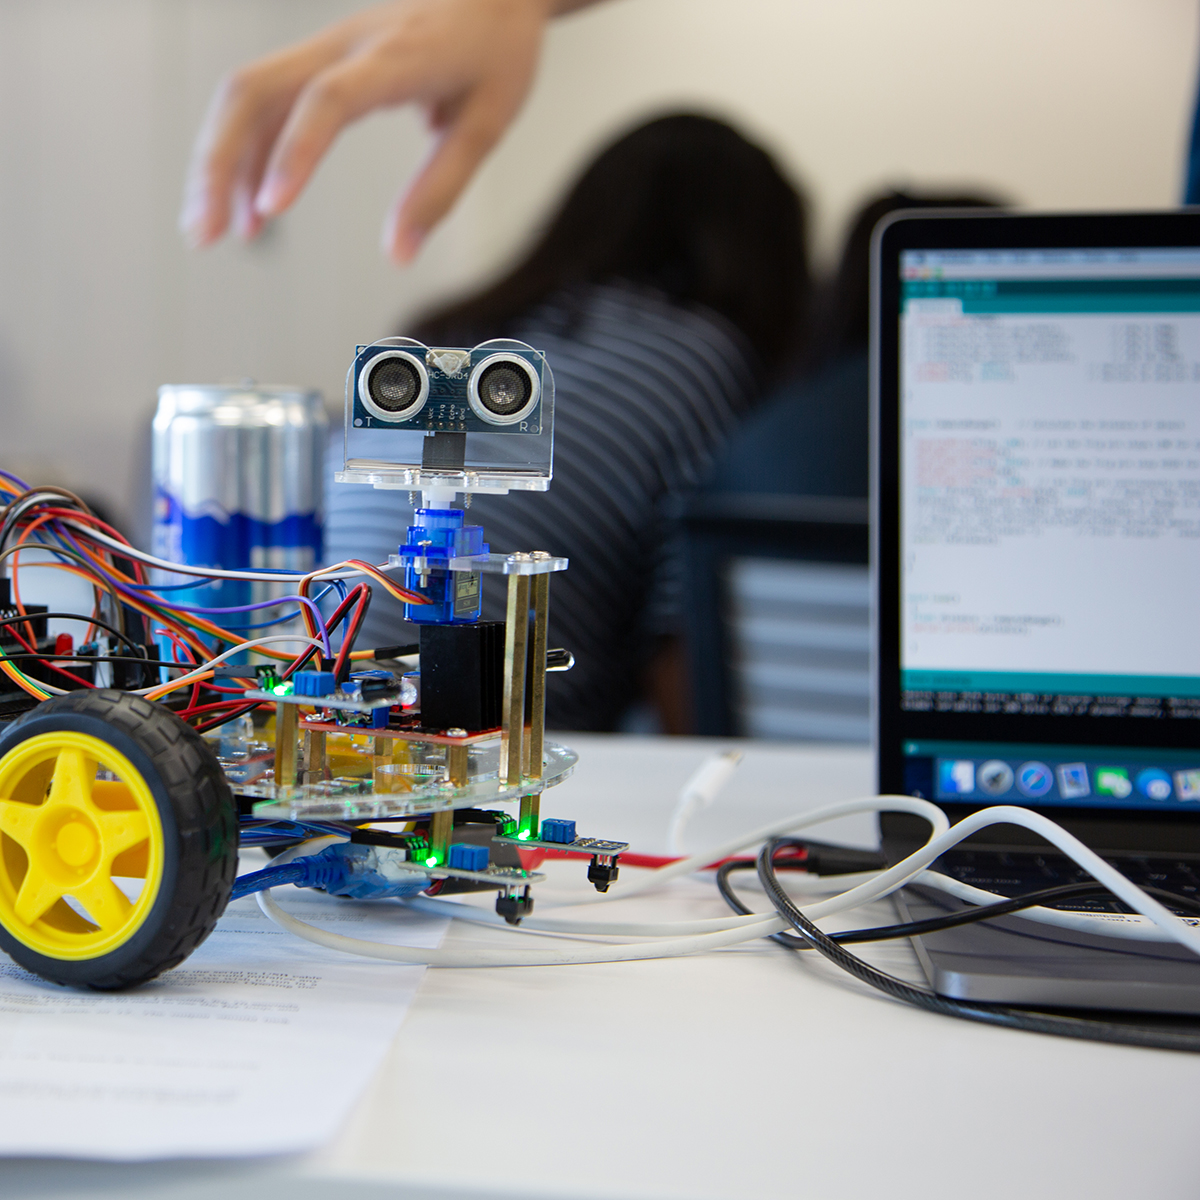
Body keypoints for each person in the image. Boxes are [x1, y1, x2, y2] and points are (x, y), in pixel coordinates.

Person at [324, 112, 809, 730]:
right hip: (510, 741)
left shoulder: (453, 330)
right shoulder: (701, 358)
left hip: (332, 694)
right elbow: (685, 656)